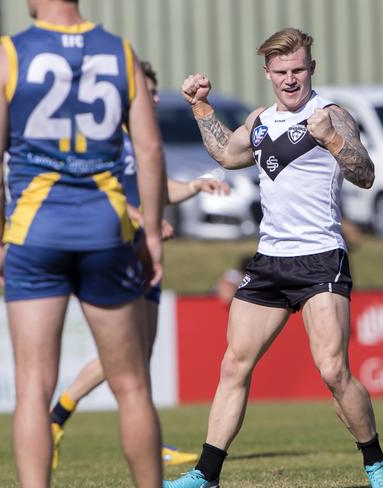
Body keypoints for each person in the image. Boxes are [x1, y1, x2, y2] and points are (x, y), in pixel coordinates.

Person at [164, 28, 383, 488]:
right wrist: (199, 105)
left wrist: (332, 140)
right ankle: (205, 475)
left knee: (333, 371)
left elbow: (365, 174)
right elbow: (225, 154)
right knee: (234, 365)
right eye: (281, 72)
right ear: (267, 73)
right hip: (270, 261)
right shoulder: (259, 120)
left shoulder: (331, 115)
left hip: (320, 258)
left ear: (312, 69)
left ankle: (376, 464)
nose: (290, 80)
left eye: (298, 70)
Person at [0, 1, 165, 486]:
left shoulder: (8, 54)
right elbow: (148, 149)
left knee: (33, 389)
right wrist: (152, 234)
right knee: (132, 385)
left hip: (35, 231)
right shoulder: (120, 52)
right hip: (106, 228)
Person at [48, 61, 230, 470]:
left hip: (144, 255)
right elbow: (98, 190)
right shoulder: (108, 137)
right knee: (128, 355)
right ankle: (62, 417)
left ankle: (62, 418)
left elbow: (159, 189)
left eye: (153, 93)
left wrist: (198, 185)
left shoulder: (144, 138)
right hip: (117, 253)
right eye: (145, 93)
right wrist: (141, 218)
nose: (152, 99)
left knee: (137, 354)